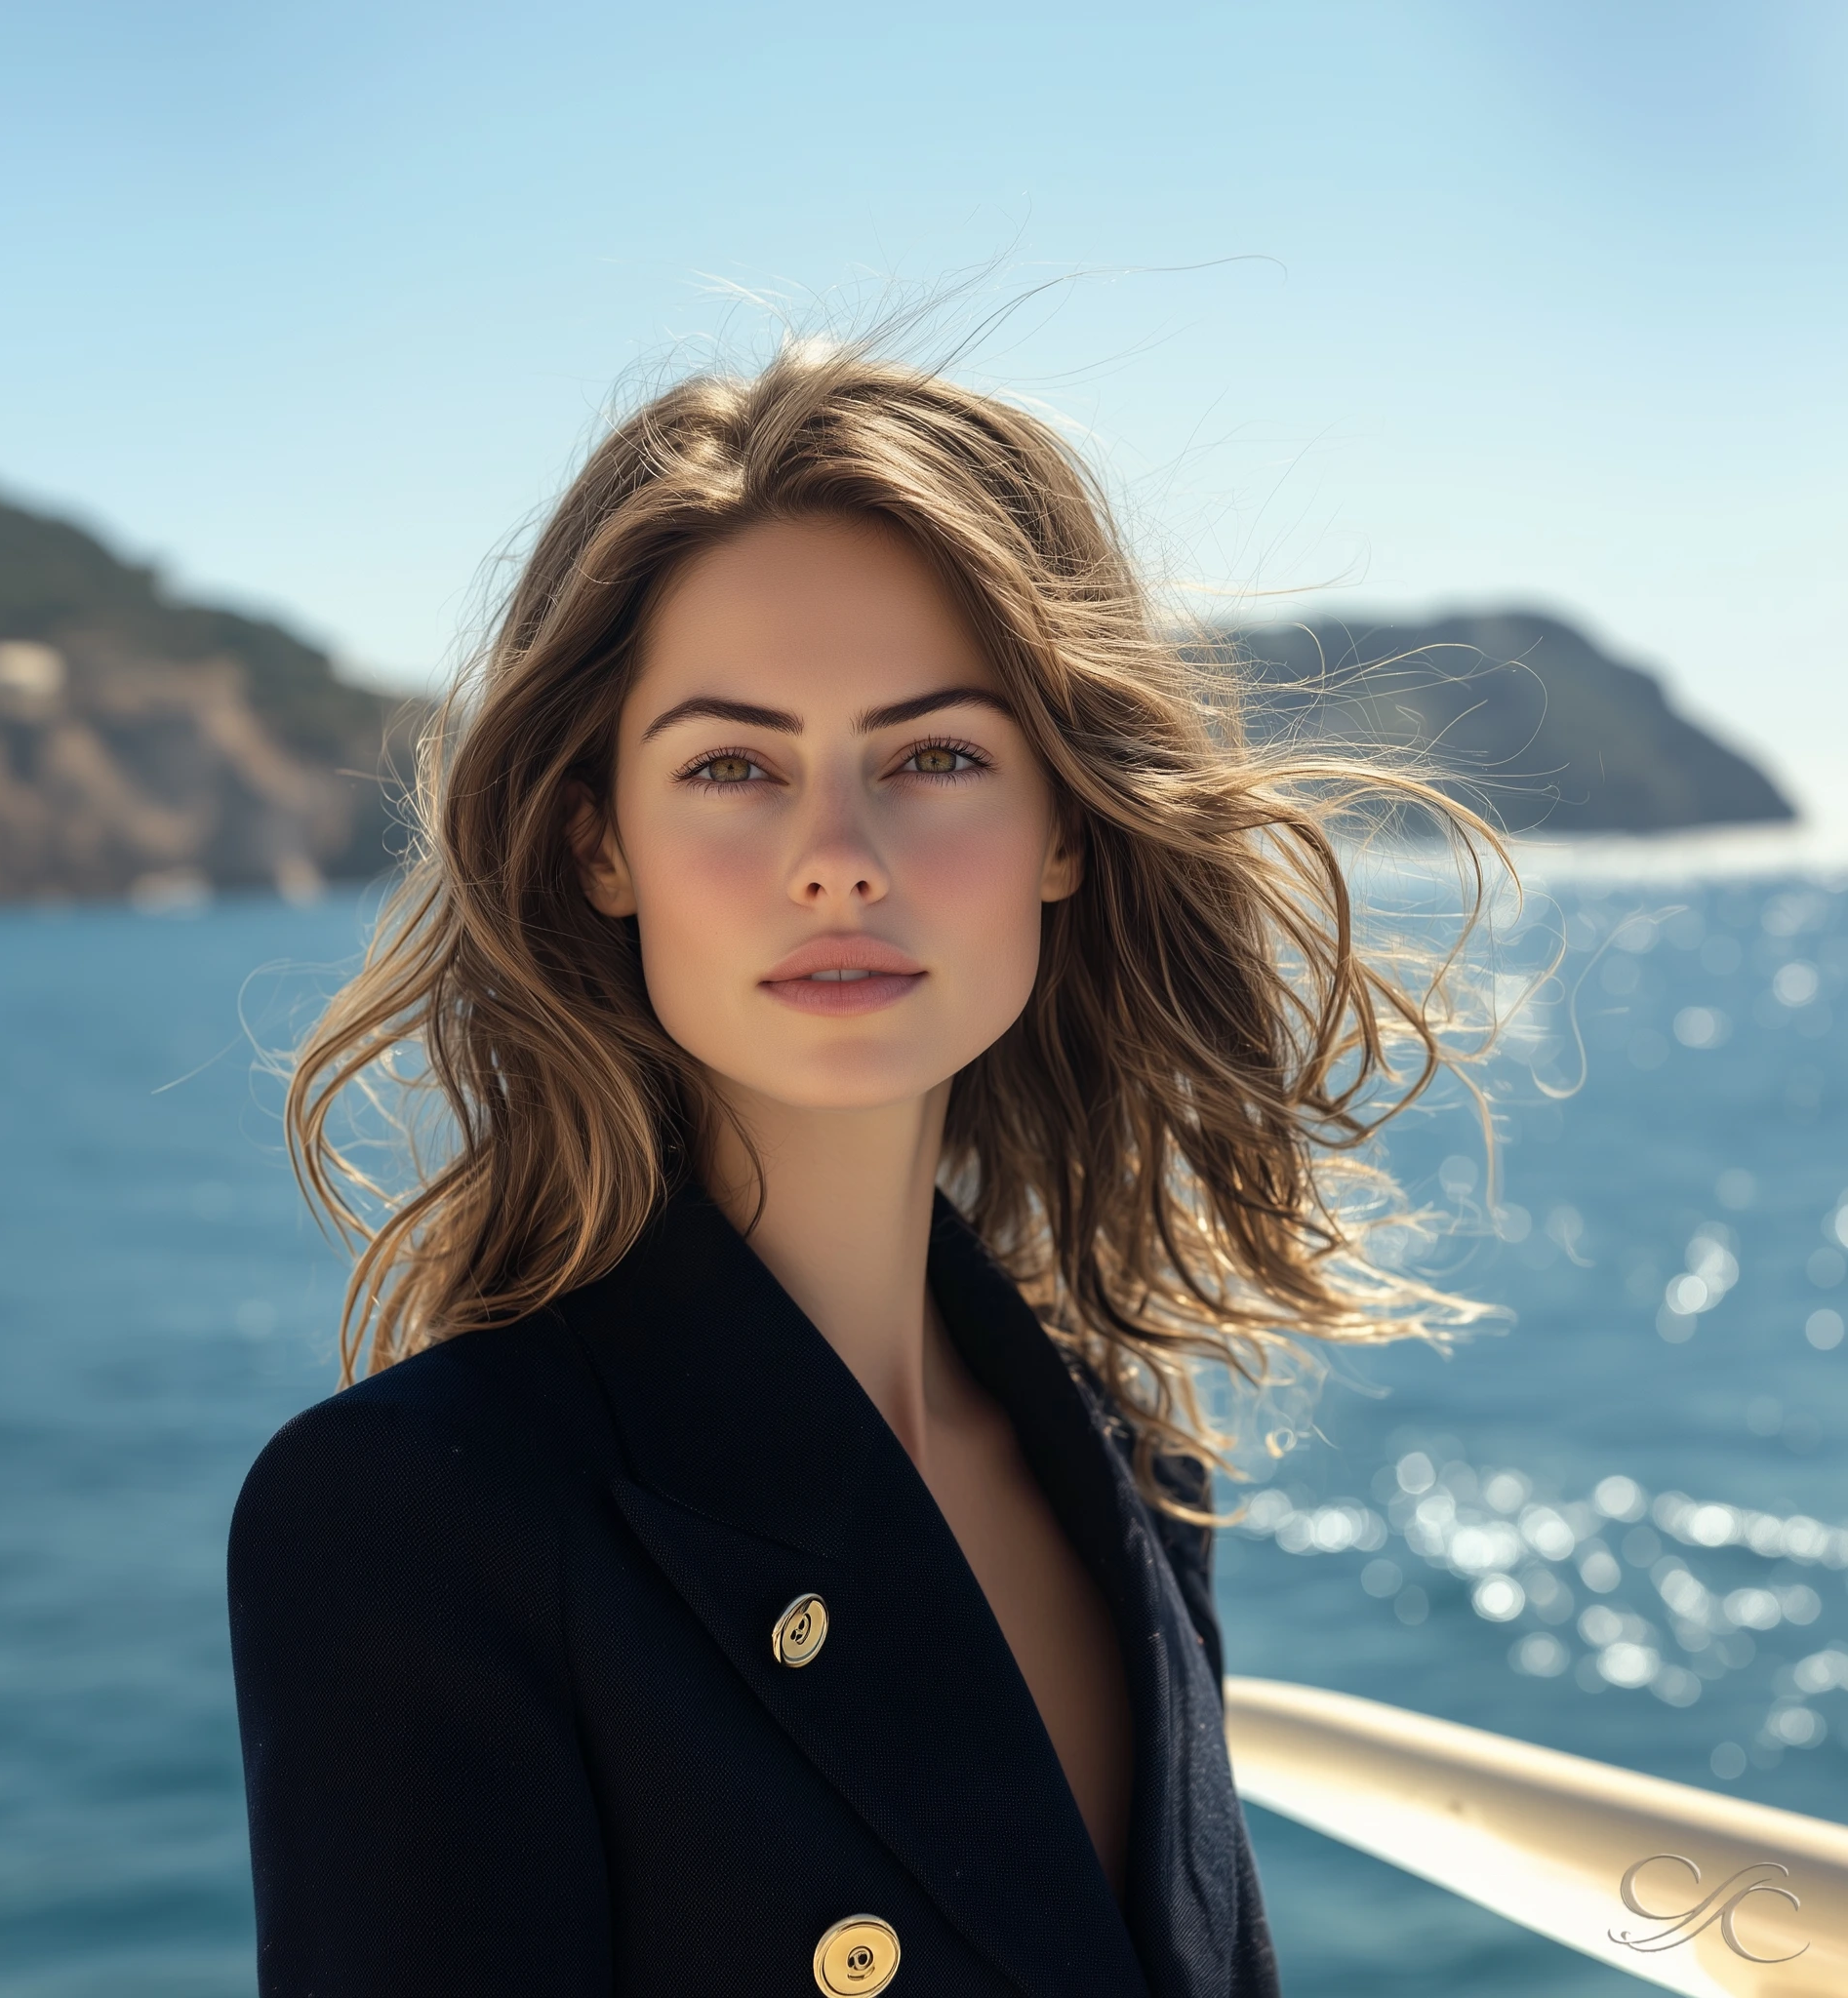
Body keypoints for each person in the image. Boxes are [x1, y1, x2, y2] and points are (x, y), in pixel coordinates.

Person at [228, 342, 1493, 1998]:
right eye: (732, 767)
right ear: (598, 841)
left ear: (1063, 826)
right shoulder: (418, 1517)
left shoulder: (1129, 1466)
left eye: (937, 757)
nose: (837, 857)